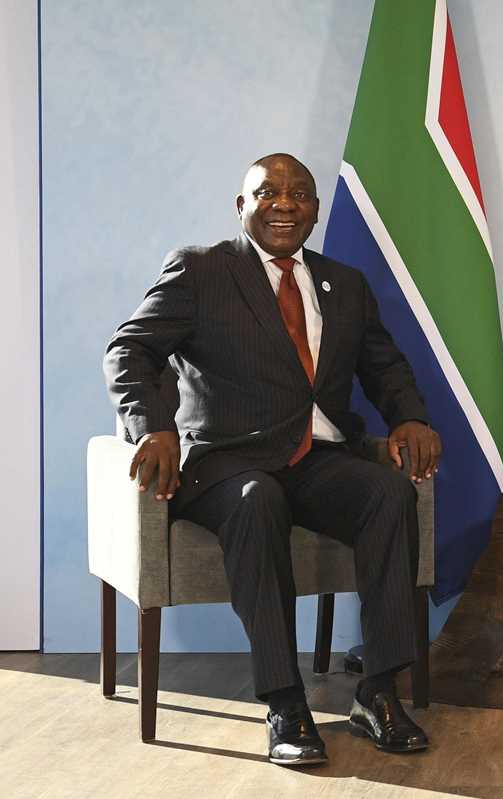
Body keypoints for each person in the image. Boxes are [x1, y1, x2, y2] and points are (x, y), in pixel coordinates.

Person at [103, 153, 443, 767]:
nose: (284, 204)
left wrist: (409, 416)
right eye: (268, 193)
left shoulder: (344, 283)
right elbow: (130, 351)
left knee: (390, 493)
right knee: (258, 499)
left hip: (315, 457)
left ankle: (377, 690)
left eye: (299, 194)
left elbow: (383, 365)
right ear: (243, 206)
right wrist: (152, 428)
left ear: (314, 209)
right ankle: (285, 703)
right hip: (223, 462)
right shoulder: (201, 270)